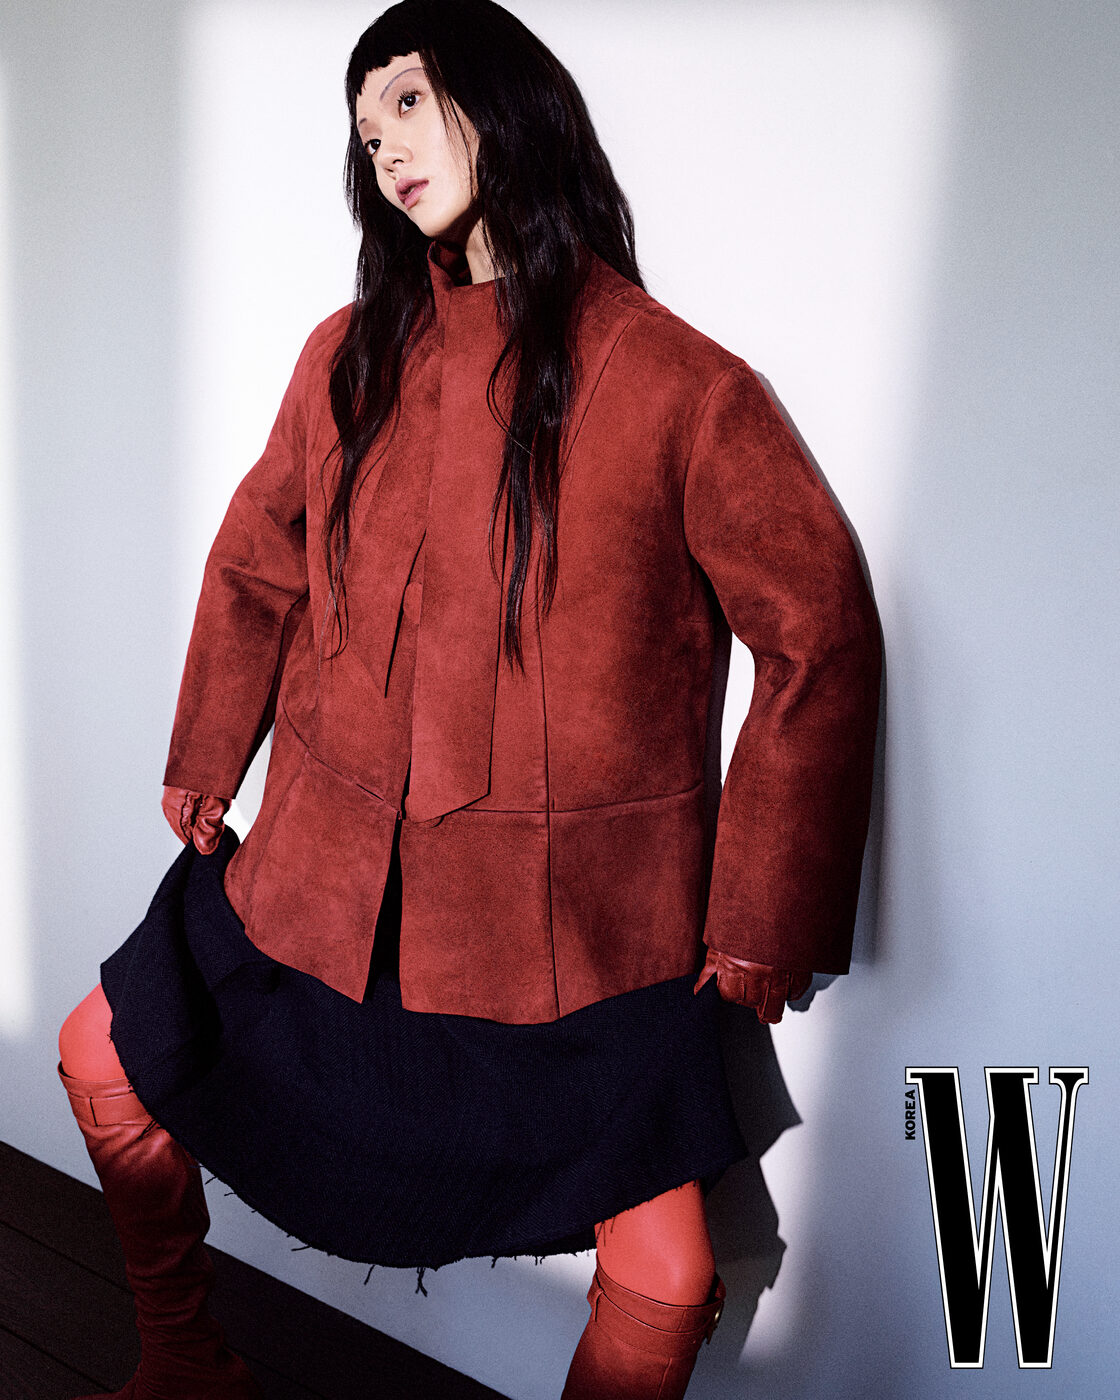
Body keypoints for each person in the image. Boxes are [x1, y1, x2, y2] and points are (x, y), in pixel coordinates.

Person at [56, 1, 882, 1396]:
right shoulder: (348, 355)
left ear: (506, 103)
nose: (383, 145)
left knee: (667, 1269)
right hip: (320, 884)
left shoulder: (680, 383)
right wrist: (208, 750)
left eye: (408, 100)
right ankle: (186, 1365)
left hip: (566, 935)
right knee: (102, 1050)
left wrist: (763, 916)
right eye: (363, 125)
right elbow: (258, 556)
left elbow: (819, 631)